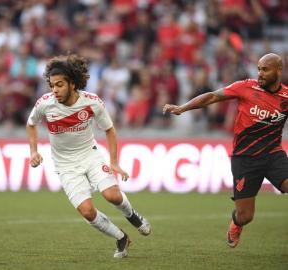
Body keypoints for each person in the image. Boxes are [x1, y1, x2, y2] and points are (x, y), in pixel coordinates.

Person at [26, 54, 151, 258]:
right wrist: (33, 151)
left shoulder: (92, 102)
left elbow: (109, 129)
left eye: (59, 85)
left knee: (112, 195)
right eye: (52, 85)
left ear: (72, 84)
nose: (54, 90)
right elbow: (31, 124)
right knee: (87, 212)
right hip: (65, 165)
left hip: (90, 155)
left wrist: (114, 162)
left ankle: (132, 215)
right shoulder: (45, 104)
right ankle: (121, 238)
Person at [163, 53, 288, 248]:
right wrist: (182, 108)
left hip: (273, 154)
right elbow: (212, 96)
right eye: (258, 69)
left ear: (279, 71)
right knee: (245, 216)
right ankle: (236, 223)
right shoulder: (246, 87)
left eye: (265, 69)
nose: (260, 74)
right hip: (244, 159)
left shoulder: (286, 97)